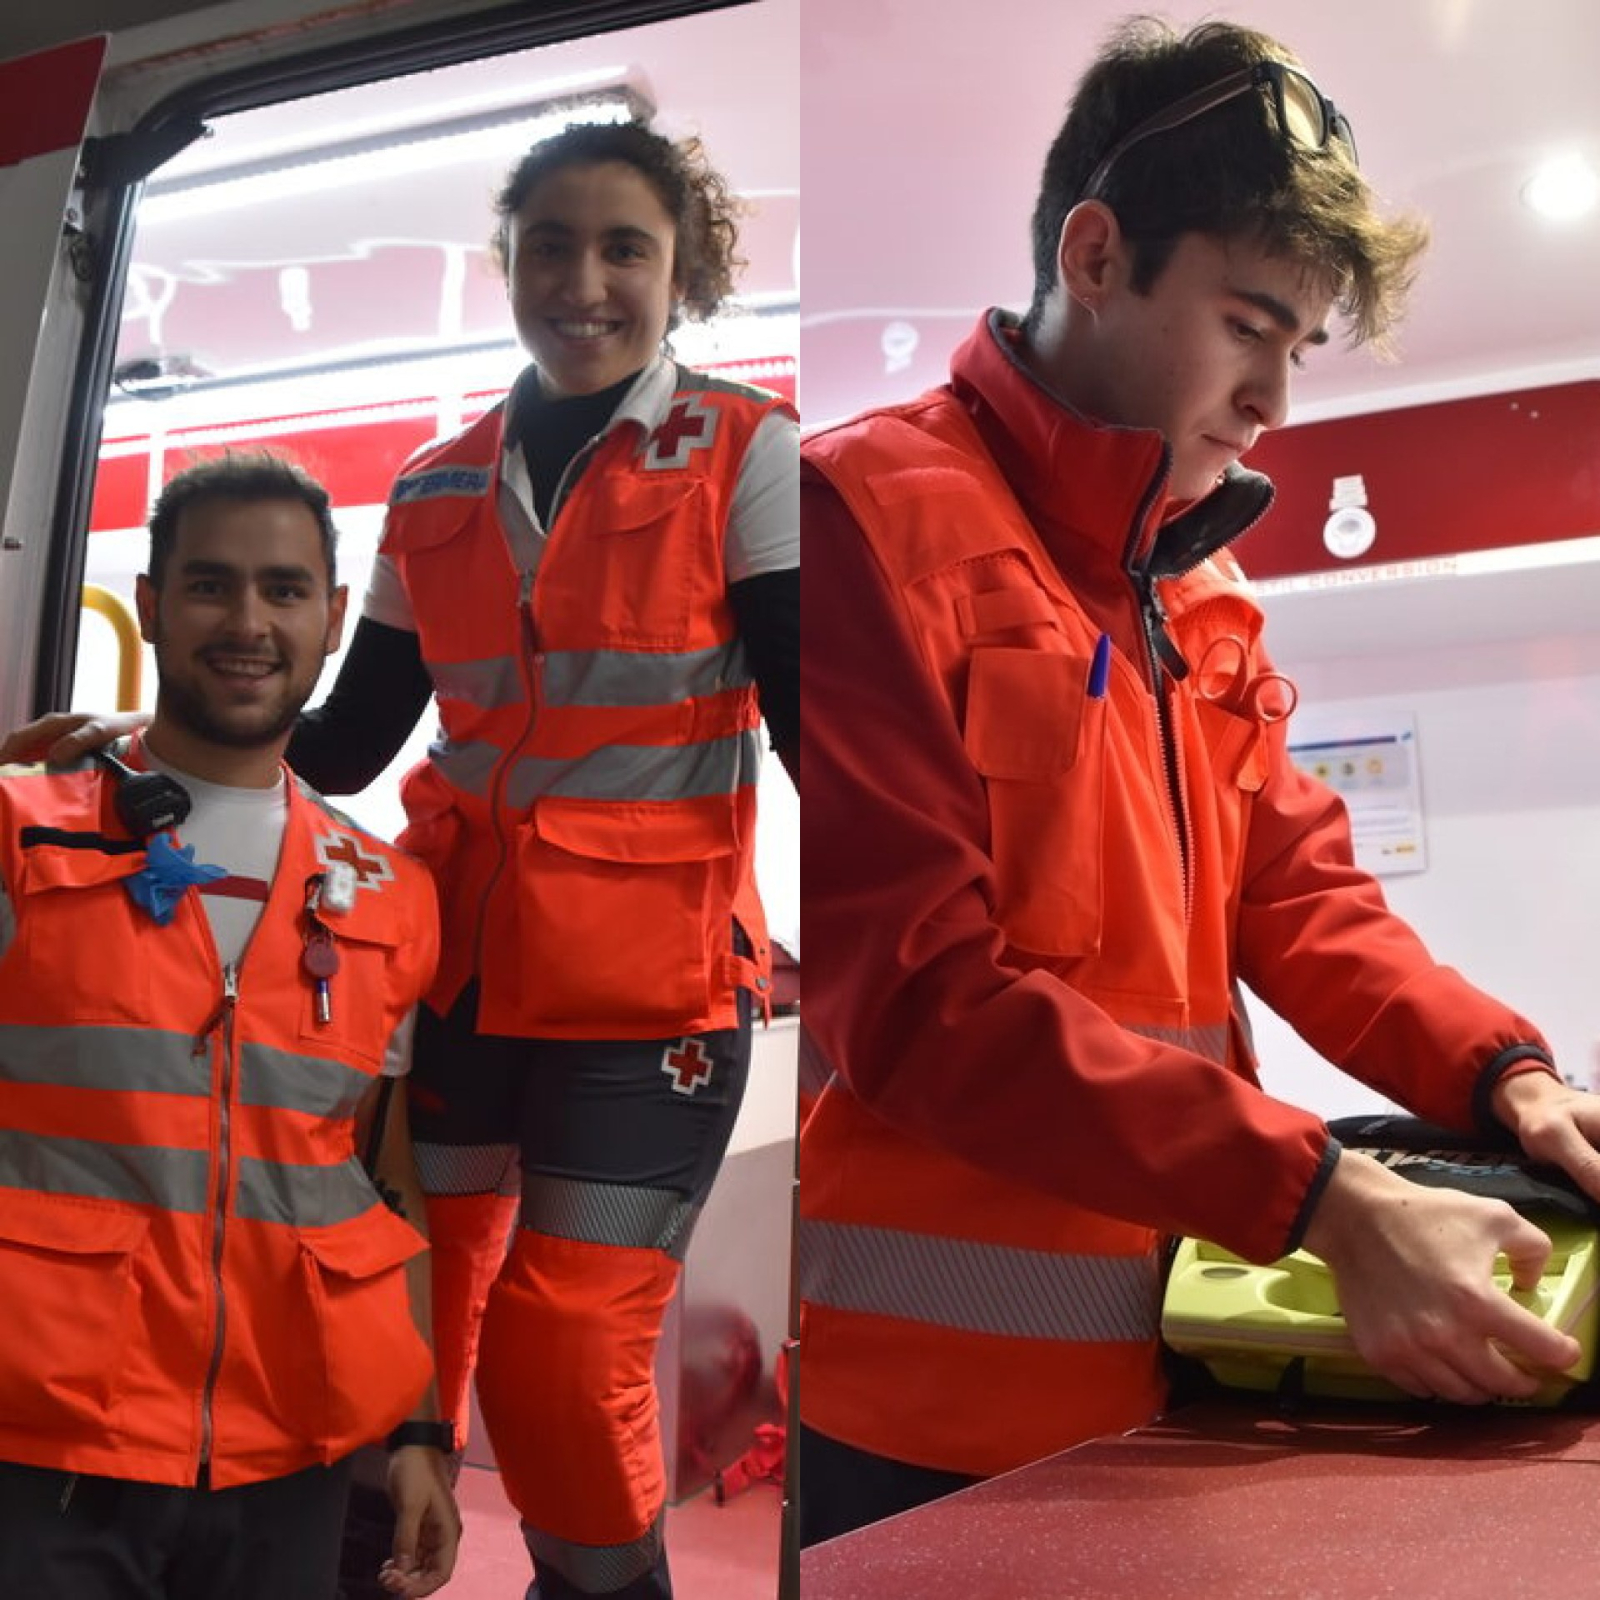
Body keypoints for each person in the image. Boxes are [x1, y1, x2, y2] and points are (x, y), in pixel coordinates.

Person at [797, 14, 1600, 1545]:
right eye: (1249, 325)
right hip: (926, 1429)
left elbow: (1303, 899)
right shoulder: (860, 517)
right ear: (1096, 255)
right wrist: (1322, 1200)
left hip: (1185, 1363)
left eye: (1299, 344)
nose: (1277, 400)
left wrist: (1508, 1075)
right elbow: (915, 998)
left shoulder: (1197, 588)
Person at [6, 117, 799, 1600]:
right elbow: (347, 738)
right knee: (387, 1304)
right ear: (505, 263)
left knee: (567, 1348)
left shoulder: (751, 455)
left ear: (681, 270)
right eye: (548, 244)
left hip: (653, 996)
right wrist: (145, 738)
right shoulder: (435, 489)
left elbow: (824, 721)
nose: (584, 278)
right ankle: (356, 1570)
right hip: (460, 966)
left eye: (624, 246)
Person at [0, 454, 459, 1598]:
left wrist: (417, 1429)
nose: (247, 622)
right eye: (209, 586)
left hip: (284, 1454)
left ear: (335, 620)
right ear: (151, 605)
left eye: (285, 590)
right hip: (44, 1449)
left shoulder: (389, 894)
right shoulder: (20, 836)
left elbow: (375, 1174)